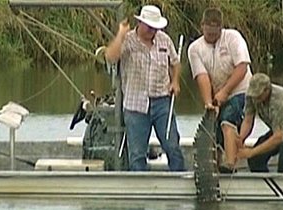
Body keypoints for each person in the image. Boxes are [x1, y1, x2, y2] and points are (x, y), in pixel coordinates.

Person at [104, 5, 185, 171]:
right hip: (135, 105)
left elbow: (175, 63)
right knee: (137, 153)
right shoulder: (127, 40)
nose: (152, 31)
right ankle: (139, 186)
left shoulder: (164, 39)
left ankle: (179, 179)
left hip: (162, 101)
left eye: (155, 28)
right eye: (149, 27)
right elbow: (110, 57)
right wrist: (120, 34)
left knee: (172, 146)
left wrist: (175, 81)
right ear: (140, 23)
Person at [187, 7, 252, 173]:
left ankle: (230, 164)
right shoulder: (195, 48)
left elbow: (242, 67)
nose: (211, 37)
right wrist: (210, 102)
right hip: (217, 93)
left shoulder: (233, 38)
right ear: (202, 26)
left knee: (227, 119)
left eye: (215, 34)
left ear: (221, 28)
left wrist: (224, 92)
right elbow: (202, 77)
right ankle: (214, 165)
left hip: (241, 90)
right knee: (212, 127)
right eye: (208, 34)